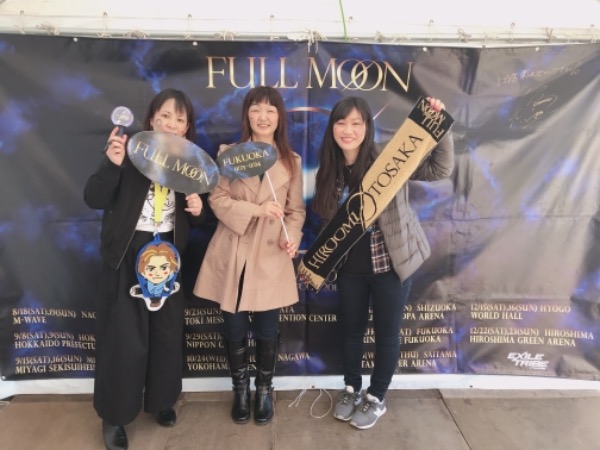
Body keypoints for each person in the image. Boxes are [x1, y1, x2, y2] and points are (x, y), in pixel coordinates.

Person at [311, 95, 454, 430]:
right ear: (333, 128)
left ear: (367, 127)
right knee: (351, 332)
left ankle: (376, 396)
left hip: (391, 265)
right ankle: (351, 388)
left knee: (387, 335)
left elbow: (440, 168)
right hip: (350, 270)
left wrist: (441, 124)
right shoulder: (328, 171)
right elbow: (326, 223)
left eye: (356, 123)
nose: (348, 130)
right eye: (341, 123)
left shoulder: (390, 158)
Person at [84, 88, 206, 450]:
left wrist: (199, 210)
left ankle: (161, 400)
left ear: (186, 128)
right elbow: (93, 198)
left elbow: (201, 219)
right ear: (151, 119)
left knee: (166, 334)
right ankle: (115, 415)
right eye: (165, 116)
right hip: (127, 254)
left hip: (167, 254)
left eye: (179, 119)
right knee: (124, 339)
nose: (171, 124)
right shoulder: (129, 151)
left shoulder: (189, 163)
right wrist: (112, 164)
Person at [194, 86, 305, 425]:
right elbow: (217, 200)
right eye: (256, 109)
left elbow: (296, 212)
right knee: (234, 327)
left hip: (271, 255)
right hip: (234, 250)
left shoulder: (291, 161)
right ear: (247, 115)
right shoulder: (229, 155)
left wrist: (291, 237)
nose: (263, 116)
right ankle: (240, 390)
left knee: (268, 330)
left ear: (279, 117)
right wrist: (256, 210)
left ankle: (264, 390)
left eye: (270, 110)